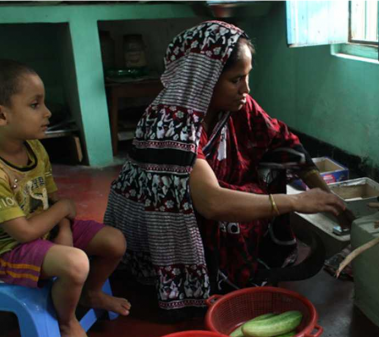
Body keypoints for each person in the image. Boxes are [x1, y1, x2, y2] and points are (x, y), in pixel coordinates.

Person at [104, 21, 348, 313]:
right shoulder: (171, 125)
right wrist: (296, 201)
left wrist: (330, 200)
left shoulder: (233, 104)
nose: (246, 88)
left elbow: (282, 141)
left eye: (247, 76)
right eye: (236, 79)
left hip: (202, 197)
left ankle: (242, 261)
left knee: (272, 164)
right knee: (232, 212)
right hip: (160, 224)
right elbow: (212, 203)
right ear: (203, 79)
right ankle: (219, 277)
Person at [0, 59, 130, 337]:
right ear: (1, 114)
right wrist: (64, 214)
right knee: (76, 263)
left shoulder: (36, 149)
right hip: (9, 249)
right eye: (35, 105)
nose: (47, 113)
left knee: (114, 242)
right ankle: (67, 322)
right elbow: (23, 232)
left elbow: (56, 203)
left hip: (45, 231)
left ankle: (92, 292)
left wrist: (65, 230)